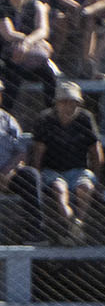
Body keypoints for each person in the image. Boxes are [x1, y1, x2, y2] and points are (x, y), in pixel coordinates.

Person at [31, 80, 103, 245]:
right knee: (59, 189)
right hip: (52, 170)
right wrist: (38, 177)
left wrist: (97, 179)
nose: (69, 106)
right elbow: (38, 152)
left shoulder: (85, 118)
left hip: (79, 169)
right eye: (64, 101)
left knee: (84, 187)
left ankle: (78, 224)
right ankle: (72, 225)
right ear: (57, 102)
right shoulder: (45, 119)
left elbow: (95, 151)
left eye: (73, 102)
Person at [2, 0, 60, 109]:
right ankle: (4, 119)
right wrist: (32, 40)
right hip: (8, 56)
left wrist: (27, 42)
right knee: (11, 77)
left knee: (50, 75)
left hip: (30, 56)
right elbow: (8, 34)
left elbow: (43, 30)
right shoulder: (2, 7)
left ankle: (50, 116)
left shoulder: (37, 6)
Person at [0, 77, 44, 242]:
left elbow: (21, 151)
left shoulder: (7, 120)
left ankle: (35, 230)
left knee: (30, 174)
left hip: (7, 174)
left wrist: (8, 171)